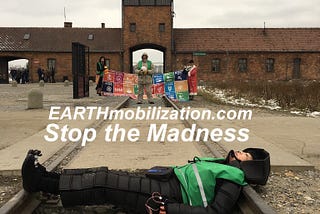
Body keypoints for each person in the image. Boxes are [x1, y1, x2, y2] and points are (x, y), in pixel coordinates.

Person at [21, 148, 270, 214]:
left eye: (243, 155)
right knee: (106, 176)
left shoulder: (234, 178)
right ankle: (47, 177)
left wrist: (168, 208)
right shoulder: (222, 165)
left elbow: (215, 212)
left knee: (104, 183)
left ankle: (40, 183)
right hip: (164, 183)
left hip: (166, 197)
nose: (237, 152)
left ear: (246, 166)